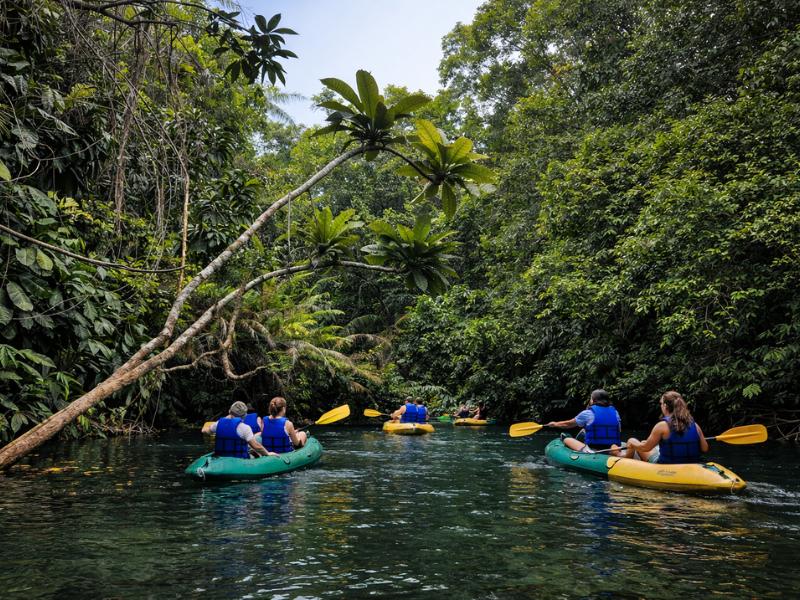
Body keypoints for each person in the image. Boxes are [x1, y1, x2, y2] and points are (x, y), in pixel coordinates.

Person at [624, 391, 709, 463]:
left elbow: (645, 448)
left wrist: (632, 444)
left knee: (633, 440)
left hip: (667, 467)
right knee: (644, 442)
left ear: (665, 406)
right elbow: (705, 449)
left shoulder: (662, 426)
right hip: (692, 465)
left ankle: (625, 461)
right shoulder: (695, 425)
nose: (661, 406)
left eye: (661, 403)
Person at [546, 389, 621, 455]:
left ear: (593, 400)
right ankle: (615, 452)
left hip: (593, 448)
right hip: (610, 447)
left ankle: (568, 439)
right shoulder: (615, 412)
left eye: (591, 398)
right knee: (584, 431)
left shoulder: (588, 413)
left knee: (566, 439)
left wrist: (555, 424)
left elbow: (568, 424)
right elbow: (619, 430)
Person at [201, 401, 274, 458]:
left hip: (221, 456)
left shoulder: (218, 424)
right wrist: (267, 453)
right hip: (239, 458)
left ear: (229, 411)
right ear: (244, 415)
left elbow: (204, 431)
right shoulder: (245, 428)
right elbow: (256, 446)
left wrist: (205, 427)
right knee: (255, 451)